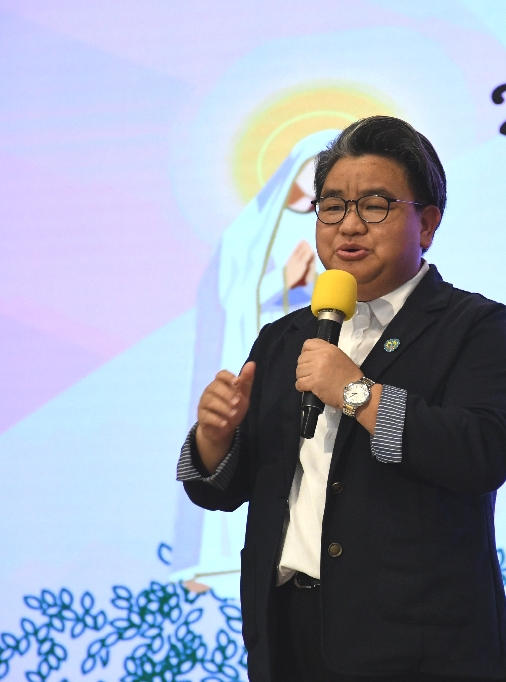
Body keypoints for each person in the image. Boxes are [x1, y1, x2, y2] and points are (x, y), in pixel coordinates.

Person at [177, 116, 506, 681]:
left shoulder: (473, 326)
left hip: (418, 647)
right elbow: (224, 491)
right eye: (333, 206)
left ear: (427, 223)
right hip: (289, 638)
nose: (349, 225)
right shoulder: (285, 336)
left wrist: (357, 393)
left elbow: (481, 454)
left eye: (375, 205)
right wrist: (214, 441)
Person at [171, 130, 338, 597]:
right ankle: (218, 561)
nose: (344, 224)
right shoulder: (252, 228)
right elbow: (234, 296)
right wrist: (214, 437)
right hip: (263, 355)